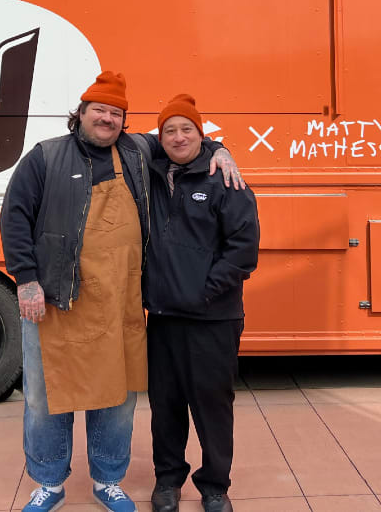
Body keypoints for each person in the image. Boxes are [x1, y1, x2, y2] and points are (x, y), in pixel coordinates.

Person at [1, 72, 243, 512]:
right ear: (82, 113)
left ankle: (108, 479)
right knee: (45, 397)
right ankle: (49, 483)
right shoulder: (45, 157)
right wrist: (26, 278)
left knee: (116, 397)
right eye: (100, 110)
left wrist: (221, 151)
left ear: (124, 122)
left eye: (117, 113)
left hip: (119, 300)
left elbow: (182, 137)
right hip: (57, 300)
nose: (108, 119)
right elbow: (15, 216)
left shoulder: (136, 150)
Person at [144, 94, 259, 512]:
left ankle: (215, 486)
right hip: (162, 319)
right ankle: (168, 481)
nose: (178, 137)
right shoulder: (151, 177)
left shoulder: (224, 180)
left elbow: (243, 251)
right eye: (169, 130)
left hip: (214, 317)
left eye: (187, 129)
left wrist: (202, 291)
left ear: (201, 133)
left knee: (212, 406)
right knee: (165, 407)